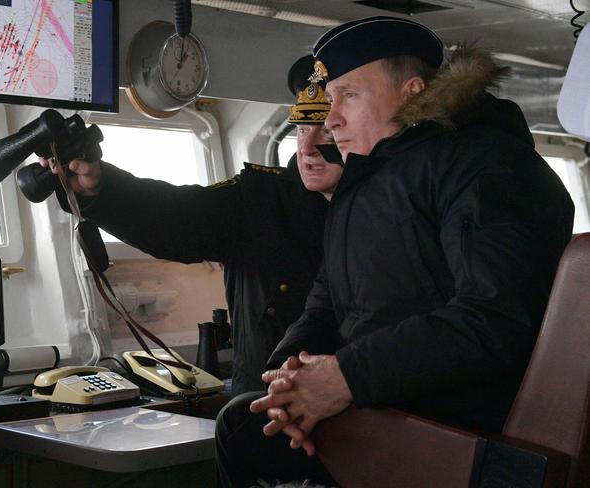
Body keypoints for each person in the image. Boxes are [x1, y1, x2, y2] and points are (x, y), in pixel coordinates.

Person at [215, 16, 575, 487]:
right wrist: (285, 380)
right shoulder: (365, 186)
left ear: (412, 91)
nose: (330, 118)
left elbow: (495, 319)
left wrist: (344, 377)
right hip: (384, 401)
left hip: (452, 425)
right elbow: (327, 304)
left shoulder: (486, 165)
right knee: (248, 419)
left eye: (349, 95)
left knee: (240, 429)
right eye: (329, 98)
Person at [40, 55, 343, 396]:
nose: (307, 147)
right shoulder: (258, 198)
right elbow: (175, 216)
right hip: (264, 406)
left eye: (328, 131)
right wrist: (98, 187)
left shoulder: (389, 209)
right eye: (302, 129)